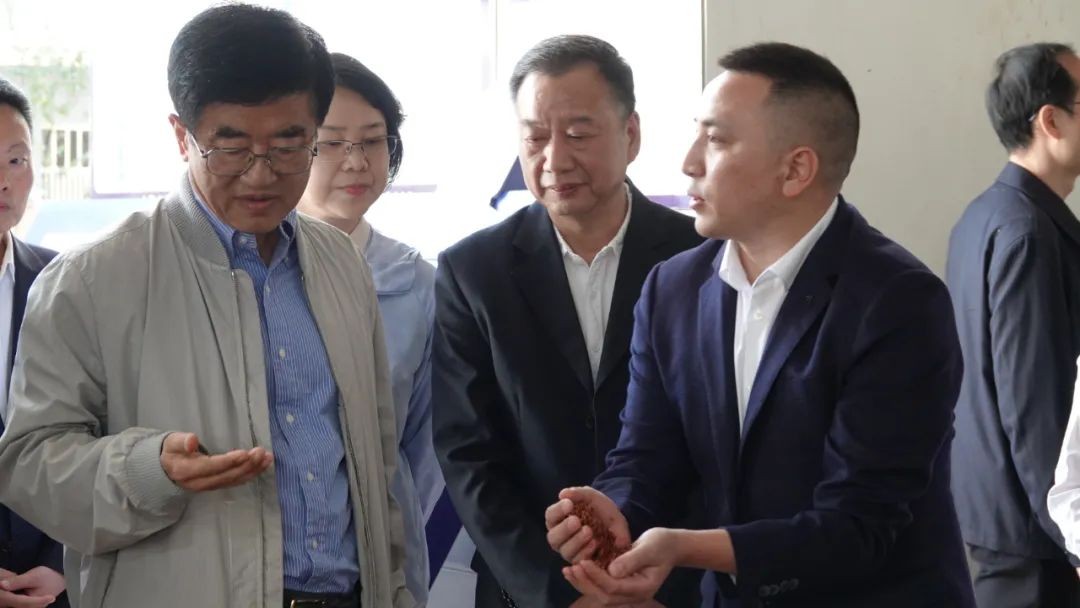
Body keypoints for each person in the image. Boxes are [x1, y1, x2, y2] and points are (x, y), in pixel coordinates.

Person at [0, 5, 412, 607]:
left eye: (289, 145)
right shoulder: (90, 281)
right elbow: (30, 464)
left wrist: (393, 589)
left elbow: (376, 468)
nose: (260, 175)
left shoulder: (341, 265)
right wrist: (148, 470)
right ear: (181, 136)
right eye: (231, 146)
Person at [545, 41, 975, 608]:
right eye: (696, 134)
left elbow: (859, 525)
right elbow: (646, 457)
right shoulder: (673, 288)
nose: (689, 162)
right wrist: (616, 511)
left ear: (795, 169)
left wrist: (688, 547)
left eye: (717, 140)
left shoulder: (897, 300)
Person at [432, 35, 703, 607]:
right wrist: (560, 594)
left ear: (631, 135)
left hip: (678, 584)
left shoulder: (702, 258)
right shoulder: (473, 271)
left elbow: (721, 437)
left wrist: (667, 581)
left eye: (578, 134)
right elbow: (469, 454)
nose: (554, 159)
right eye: (535, 137)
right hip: (534, 589)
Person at [298, 52, 442, 605]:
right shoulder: (247, 273)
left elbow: (423, 451)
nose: (356, 162)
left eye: (373, 141)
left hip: (380, 563)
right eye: (331, 143)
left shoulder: (417, 284)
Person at [948, 43, 1080, 608]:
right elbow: (1034, 405)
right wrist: (1074, 539)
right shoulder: (1029, 231)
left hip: (1001, 516)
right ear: (1051, 120)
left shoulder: (986, 214)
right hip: (1035, 536)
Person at [0, 77, 64, 608]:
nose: (3, 181)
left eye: (15, 160)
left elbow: (100, 425)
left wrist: (64, 562)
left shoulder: (63, 282)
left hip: (49, 583)